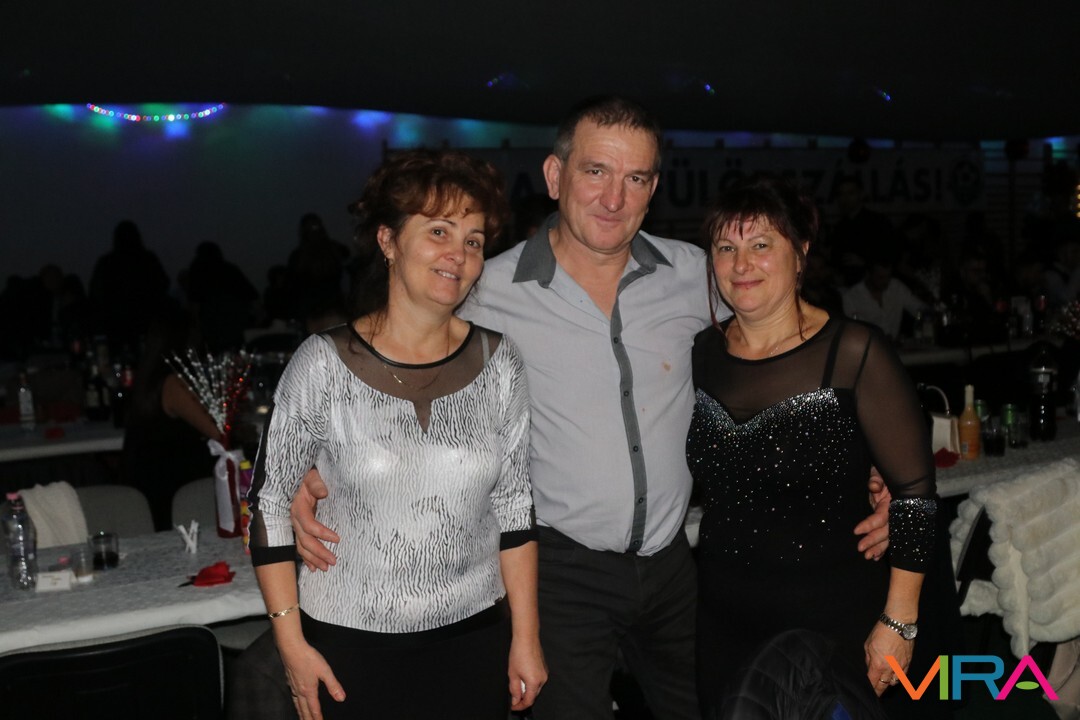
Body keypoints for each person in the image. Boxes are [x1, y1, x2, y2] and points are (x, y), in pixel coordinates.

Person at [291, 97, 892, 720]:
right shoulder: (484, 287)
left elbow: (793, 345)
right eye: (596, 171)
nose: (613, 198)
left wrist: (871, 460)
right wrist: (316, 467)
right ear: (555, 176)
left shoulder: (698, 274)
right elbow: (393, 357)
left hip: (675, 563)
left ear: (653, 189)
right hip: (561, 570)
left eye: (635, 178)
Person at [248, 149, 545, 720]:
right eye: (438, 231)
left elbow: (515, 508)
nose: (458, 254)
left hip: (475, 640)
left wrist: (526, 638)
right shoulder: (322, 364)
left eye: (474, 240)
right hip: (350, 650)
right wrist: (290, 643)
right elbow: (267, 502)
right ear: (388, 240)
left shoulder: (500, 362)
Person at [688, 174, 938, 716]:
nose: (741, 264)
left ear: (800, 253)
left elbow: (916, 497)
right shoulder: (702, 353)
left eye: (761, 245)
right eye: (725, 248)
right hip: (723, 621)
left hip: (830, 624)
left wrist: (899, 621)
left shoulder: (854, 352)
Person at [122, 306, 221, 531]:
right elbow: (216, 430)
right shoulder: (173, 383)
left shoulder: (148, 379)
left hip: (154, 482)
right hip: (175, 489)